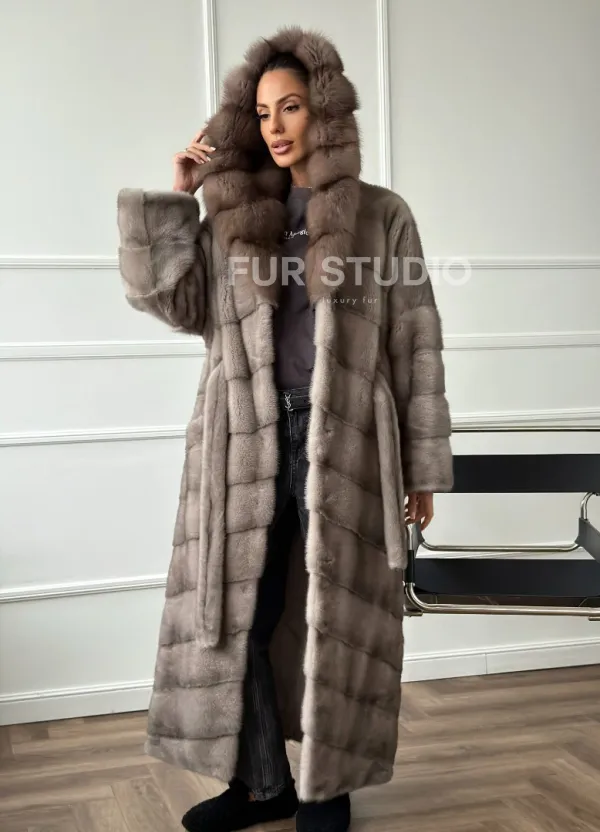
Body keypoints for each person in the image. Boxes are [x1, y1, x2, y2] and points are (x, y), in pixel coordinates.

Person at [116, 25, 453, 832]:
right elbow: (176, 305)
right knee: (242, 615)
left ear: (324, 111)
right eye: (263, 111)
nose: (276, 126)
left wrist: (421, 468)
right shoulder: (235, 218)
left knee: (335, 617)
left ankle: (326, 790)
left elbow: (416, 338)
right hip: (246, 437)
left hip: (346, 440)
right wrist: (179, 199)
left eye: (292, 106)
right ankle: (260, 783)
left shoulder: (381, 216)